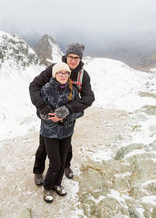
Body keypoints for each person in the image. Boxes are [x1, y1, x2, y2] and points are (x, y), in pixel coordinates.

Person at [29, 42, 95, 185]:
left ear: (80, 59)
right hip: (49, 116)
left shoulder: (83, 76)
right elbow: (34, 85)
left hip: (68, 116)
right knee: (44, 145)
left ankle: (65, 165)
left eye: (76, 58)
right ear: (65, 56)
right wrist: (41, 106)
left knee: (66, 141)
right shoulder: (55, 69)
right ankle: (39, 171)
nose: (72, 60)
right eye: (70, 57)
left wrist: (68, 109)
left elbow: (89, 98)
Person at [38, 62, 84, 203]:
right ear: (54, 74)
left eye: (66, 73)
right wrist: (53, 118)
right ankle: (47, 188)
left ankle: (57, 184)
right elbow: (39, 113)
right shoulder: (45, 89)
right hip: (49, 132)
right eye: (60, 73)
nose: (63, 75)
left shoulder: (73, 90)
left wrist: (64, 117)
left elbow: (80, 111)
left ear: (69, 75)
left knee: (63, 161)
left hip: (67, 132)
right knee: (55, 164)